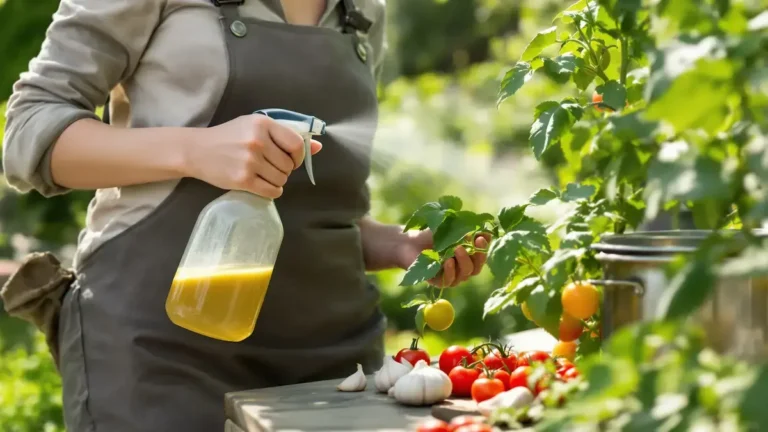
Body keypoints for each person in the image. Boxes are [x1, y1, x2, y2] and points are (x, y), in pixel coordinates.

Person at [1, 1, 489, 431]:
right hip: (162, 358)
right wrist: (195, 150)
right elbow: (28, 131)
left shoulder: (363, 9)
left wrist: (397, 244)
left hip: (336, 370)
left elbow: (314, 208)